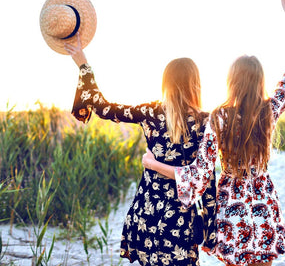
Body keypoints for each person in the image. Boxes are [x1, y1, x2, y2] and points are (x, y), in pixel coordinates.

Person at [141, 0, 285, 266]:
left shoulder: (219, 118)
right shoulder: (268, 111)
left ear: (231, 82)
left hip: (230, 204)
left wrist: (154, 164)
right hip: (263, 200)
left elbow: (198, 176)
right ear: (260, 81)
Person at [65, 34, 217, 266]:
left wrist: (83, 65)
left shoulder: (150, 113)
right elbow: (207, 180)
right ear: (195, 83)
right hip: (181, 217)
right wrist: (210, 228)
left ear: (166, 83)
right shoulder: (205, 122)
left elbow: (103, 108)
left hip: (148, 210)